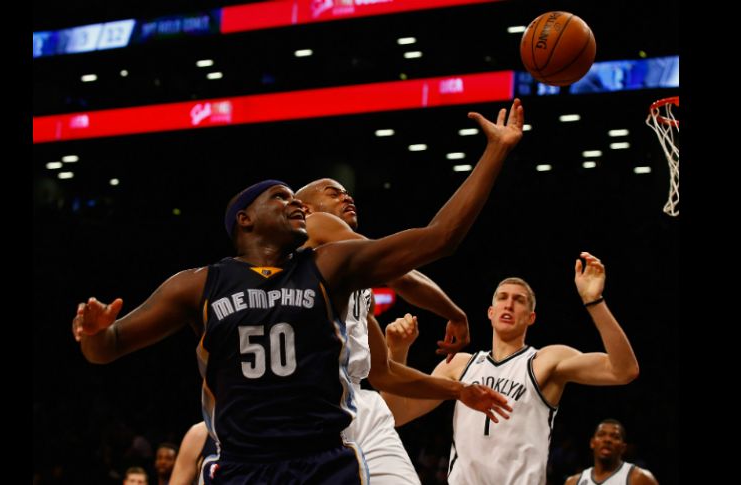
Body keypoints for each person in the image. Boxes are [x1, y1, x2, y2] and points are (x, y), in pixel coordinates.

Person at [72, 98, 524, 484]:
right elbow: (107, 349)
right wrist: (93, 333)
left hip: (326, 459)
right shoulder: (198, 284)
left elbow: (439, 237)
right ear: (244, 220)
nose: (294, 204)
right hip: (244, 464)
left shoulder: (331, 268)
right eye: (279, 197)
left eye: (295, 197)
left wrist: (495, 153)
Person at [382, 253, 640, 485]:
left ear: (531, 317)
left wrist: (594, 301)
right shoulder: (459, 365)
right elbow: (395, 415)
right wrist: (396, 352)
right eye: (502, 298)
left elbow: (623, 370)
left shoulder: (546, 361)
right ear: (491, 313)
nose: (509, 304)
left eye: (519, 300)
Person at [295, 177, 471, 485]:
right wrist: (453, 313)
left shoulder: (356, 284)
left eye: (347, 192)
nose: (346, 197)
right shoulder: (315, 224)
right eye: (333, 193)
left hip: (359, 403)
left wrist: (459, 391)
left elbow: (383, 373)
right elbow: (401, 273)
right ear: (306, 209)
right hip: (312, 404)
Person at [564, 419, 659, 485]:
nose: (607, 440)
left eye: (615, 436)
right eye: (601, 435)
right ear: (592, 443)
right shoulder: (573, 482)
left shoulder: (639, 478)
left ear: (623, 447)